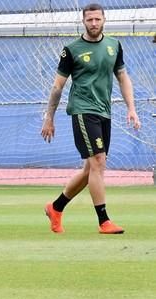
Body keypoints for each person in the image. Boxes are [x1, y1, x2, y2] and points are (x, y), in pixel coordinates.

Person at [41, 3, 141, 234]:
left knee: (90, 170)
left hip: (104, 112)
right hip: (82, 110)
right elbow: (57, 87)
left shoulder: (114, 45)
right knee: (98, 162)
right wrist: (49, 118)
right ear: (83, 22)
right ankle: (104, 221)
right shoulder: (71, 49)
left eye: (97, 19)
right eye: (89, 20)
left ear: (104, 20)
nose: (94, 23)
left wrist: (131, 108)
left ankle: (56, 208)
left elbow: (123, 77)